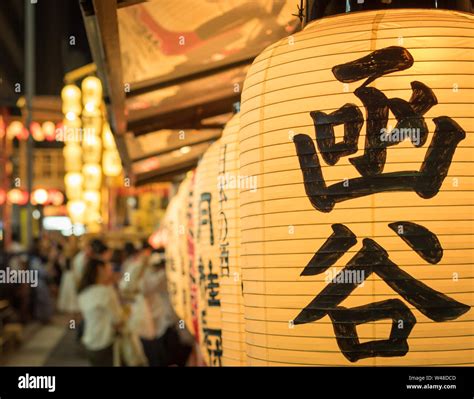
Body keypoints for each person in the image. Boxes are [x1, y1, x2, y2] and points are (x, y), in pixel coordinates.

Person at [77, 258, 123, 366]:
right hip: (104, 341)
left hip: (90, 340)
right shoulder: (105, 292)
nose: (111, 272)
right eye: (108, 269)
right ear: (100, 270)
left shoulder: (84, 292)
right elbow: (118, 320)